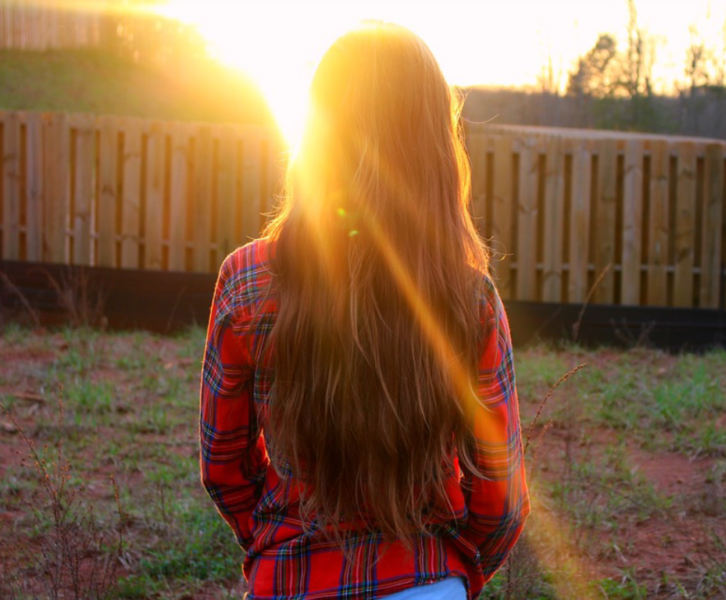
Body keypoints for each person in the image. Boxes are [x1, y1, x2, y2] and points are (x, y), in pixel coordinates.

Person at [200, 21, 529, 600]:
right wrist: (449, 568)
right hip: (428, 583)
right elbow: (500, 498)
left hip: (289, 582)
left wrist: (279, 544)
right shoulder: (468, 296)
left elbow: (224, 466)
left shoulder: (246, 280)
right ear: (434, 146)